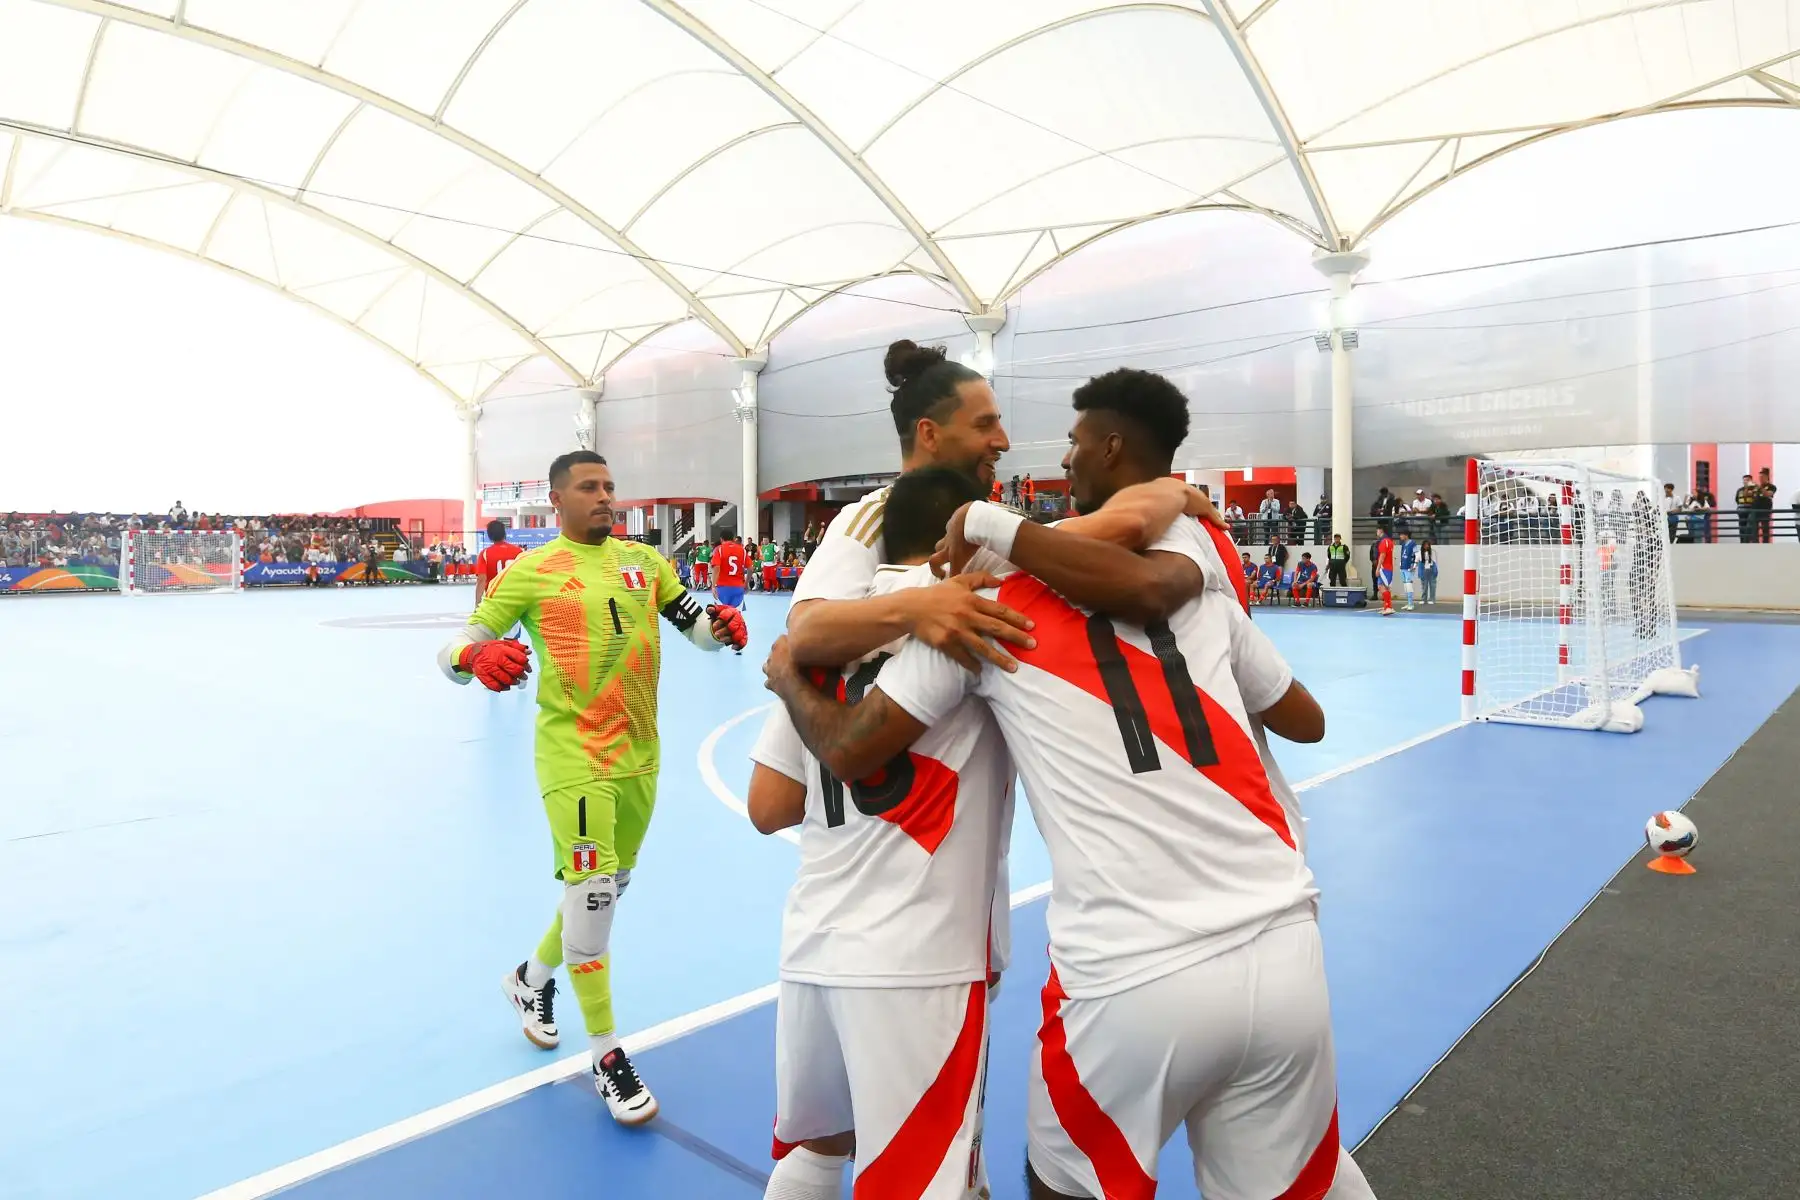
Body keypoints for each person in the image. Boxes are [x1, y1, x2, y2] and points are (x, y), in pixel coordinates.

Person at [765, 367, 1374, 1200]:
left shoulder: (984, 607)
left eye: (1075, 443)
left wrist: (794, 677)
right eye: (990, 426)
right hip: (1282, 926)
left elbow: (839, 739)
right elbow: (1304, 719)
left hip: (1120, 963)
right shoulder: (1194, 562)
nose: (1045, 453)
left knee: (1050, 1182)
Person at [436, 451, 749, 1126]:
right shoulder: (531, 571)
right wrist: (474, 655)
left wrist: (720, 629)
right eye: (590, 488)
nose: (606, 497)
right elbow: (455, 649)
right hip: (574, 755)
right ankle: (606, 1055)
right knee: (595, 890)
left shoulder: (647, 564)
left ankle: (530, 980)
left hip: (641, 756)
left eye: (610, 486)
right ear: (558, 500)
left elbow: (695, 630)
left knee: (603, 889)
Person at [746, 465, 1016, 1200]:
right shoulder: (971, 618)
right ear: (953, 543)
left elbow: (768, 803)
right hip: (918, 955)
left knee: (817, 1151)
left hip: (814, 942)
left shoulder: (823, 637)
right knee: (923, 1181)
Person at [472, 519, 524, 618]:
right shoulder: (518, 552)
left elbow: (481, 580)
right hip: (514, 600)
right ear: (504, 533)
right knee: (511, 631)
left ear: (490, 536)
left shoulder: (485, 553)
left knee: (494, 631)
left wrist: (477, 605)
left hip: (493, 600)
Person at [1374, 521, 1395, 616]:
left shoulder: (1384, 541)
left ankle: (1389, 607)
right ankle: (1387, 607)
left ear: (1380, 530)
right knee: (1383, 587)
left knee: (1382, 587)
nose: (1376, 532)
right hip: (1387, 567)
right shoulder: (1389, 541)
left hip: (1384, 568)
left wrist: (1378, 568)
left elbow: (1382, 555)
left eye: (1377, 530)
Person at [1395, 528, 1418, 610]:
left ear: (1406, 535)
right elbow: (1402, 555)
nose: (1400, 536)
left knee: (1409, 585)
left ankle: (1411, 604)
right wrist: (1401, 564)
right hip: (1403, 567)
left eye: (1401, 535)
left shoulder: (1413, 543)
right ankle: (1408, 603)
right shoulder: (1404, 544)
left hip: (1409, 567)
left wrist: (1414, 565)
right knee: (1405, 585)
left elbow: (1417, 555)